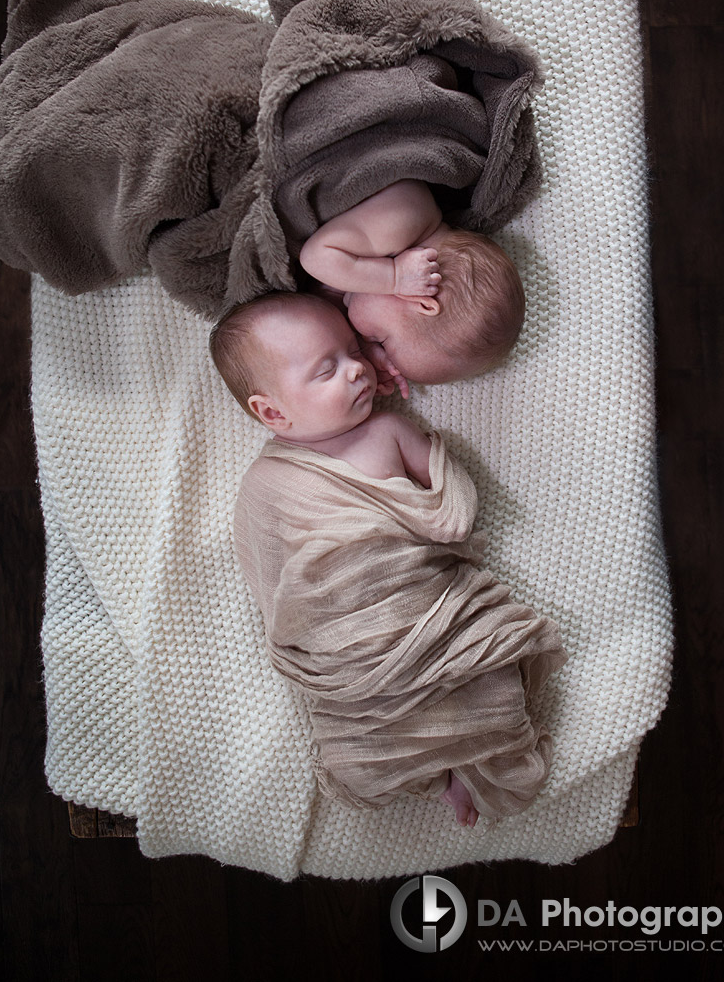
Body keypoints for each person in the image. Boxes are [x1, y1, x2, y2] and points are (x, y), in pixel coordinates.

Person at [211, 291, 565, 826]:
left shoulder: (388, 431)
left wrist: (436, 477)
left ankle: (472, 757)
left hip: (426, 616)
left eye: (354, 350)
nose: (357, 369)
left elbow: (450, 509)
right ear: (272, 410)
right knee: (361, 746)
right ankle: (439, 772)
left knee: (487, 677)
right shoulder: (265, 487)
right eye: (327, 369)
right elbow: (271, 582)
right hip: (351, 660)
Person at [299, 177, 526, 393]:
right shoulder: (406, 219)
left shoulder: (394, 249)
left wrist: (362, 351)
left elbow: (329, 291)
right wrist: (394, 277)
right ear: (422, 302)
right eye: (382, 340)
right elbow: (313, 258)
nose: (366, 337)